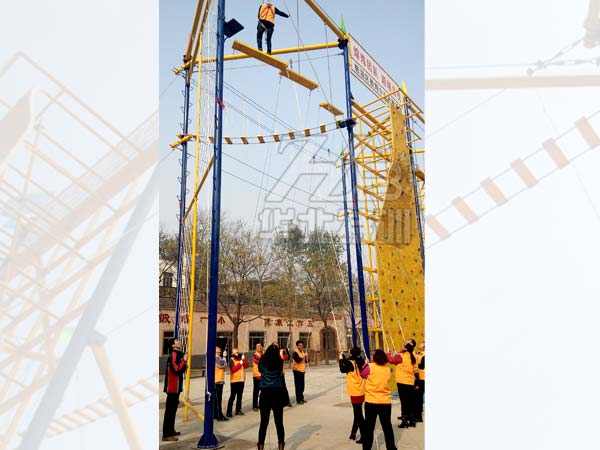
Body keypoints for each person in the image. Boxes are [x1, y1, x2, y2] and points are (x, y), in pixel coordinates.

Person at [362, 349, 397, 450]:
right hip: (385, 402)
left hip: (371, 401)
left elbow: (362, 374)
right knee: (387, 427)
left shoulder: (370, 367)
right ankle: (391, 447)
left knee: (369, 428)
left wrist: (365, 364)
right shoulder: (387, 369)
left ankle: (366, 448)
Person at [257, 344, 286, 450]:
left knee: (263, 422)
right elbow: (280, 372)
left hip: (265, 393)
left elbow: (260, 369)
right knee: (279, 422)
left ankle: (261, 445)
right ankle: (281, 445)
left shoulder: (262, 362)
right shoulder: (279, 362)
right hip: (277, 393)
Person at [339, 347, 370, 443]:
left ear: (351, 353)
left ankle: (365, 435)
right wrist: (342, 356)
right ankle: (353, 433)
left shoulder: (351, 363)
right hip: (361, 390)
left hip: (355, 392)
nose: (348, 351)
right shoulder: (360, 360)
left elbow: (342, 369)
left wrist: (340, 360)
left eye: (349, 351)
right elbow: (347, 362)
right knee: (357, 413)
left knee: (358, 415)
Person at [387, 340, 417, 428]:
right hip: (410, 381)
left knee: (404, 402)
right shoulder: (412, 355)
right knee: (409, 402)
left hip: (402, 382)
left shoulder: (401, 356)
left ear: (406, 348)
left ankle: (404, 422)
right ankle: (412, 420)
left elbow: (391, 360)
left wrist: (388, 353)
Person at [162, 338, 187, 442]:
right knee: (169, 411)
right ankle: (166, 434)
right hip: (172, 387)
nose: (179, 342)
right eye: (177, 341)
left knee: (173, 410)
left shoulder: (177, 354)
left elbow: (180, 369)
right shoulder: (173, 354)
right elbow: (176, 369)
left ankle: (171, 430)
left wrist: (184, 363)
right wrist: (184, 361)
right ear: (173, 345)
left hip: (176, 387)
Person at [226, 347, 249, 417]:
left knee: (240, 396)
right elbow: (233, 370)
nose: (237, 354)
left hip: (241, 380)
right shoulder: (231, 360)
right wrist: (240, 363)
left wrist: (244, 360)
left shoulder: (240, 359)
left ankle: (238, 410)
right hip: (234, 380)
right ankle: (229, 412)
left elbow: (246, 366)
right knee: (232, 396)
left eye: (237, 352)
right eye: (235, 352)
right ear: (232, 353)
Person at [275, 342, 292, 407]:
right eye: (274, 345)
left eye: (277, 345)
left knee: (283, 387)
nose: (276, 346)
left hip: (280, 373)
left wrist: (286, 351)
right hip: (273, 374)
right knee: (275, 389)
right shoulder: (270, 353)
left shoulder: (281, 352)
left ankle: (286, 401)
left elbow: (286, 358)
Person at [214, 346, 229, 421]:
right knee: (218, 399)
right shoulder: (215, 358)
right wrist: (224, 360)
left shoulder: (220, 358)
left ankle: (215, 414)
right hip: (216, 380)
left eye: (220, 351)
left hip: (220, 379)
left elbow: (225, 365)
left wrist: (224, 358)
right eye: (218, 351)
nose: (219, 352)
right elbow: (220, 365)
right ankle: (219, 415)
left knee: (218, 398)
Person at [291, 340, 308, 404]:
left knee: (302, 386)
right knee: (298, 386)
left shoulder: (302, 352)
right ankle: (298, 400)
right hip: (297, 371)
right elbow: (298, 361)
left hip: (302, 371)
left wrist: (307, 357)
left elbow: (306, 361)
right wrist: (303, 356)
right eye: (299, 345)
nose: (301, 346)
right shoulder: (295, 353)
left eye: (302, 345)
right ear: (297, 346)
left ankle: (302, 398)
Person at [414, 342, 425, 422]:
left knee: (419, 397)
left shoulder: (424, 355)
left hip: (422, 378)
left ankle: (419, 415)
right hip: (418, 377)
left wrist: (414, 366)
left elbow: (422, 366)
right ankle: (418, 413)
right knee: (417, 396)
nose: (420, 344)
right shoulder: (418, 353)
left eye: (422, 344)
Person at [252, 343, 264, 411]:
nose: (259, 347)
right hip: (257, 375)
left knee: (263, 390)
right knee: (256, 391)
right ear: (256, 348)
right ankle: (255, 405)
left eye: (260, 346)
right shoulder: (255, 355)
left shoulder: (263, 354)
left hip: (263, 375)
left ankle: (261, 404)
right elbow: (258, 361)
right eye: (258, 346)